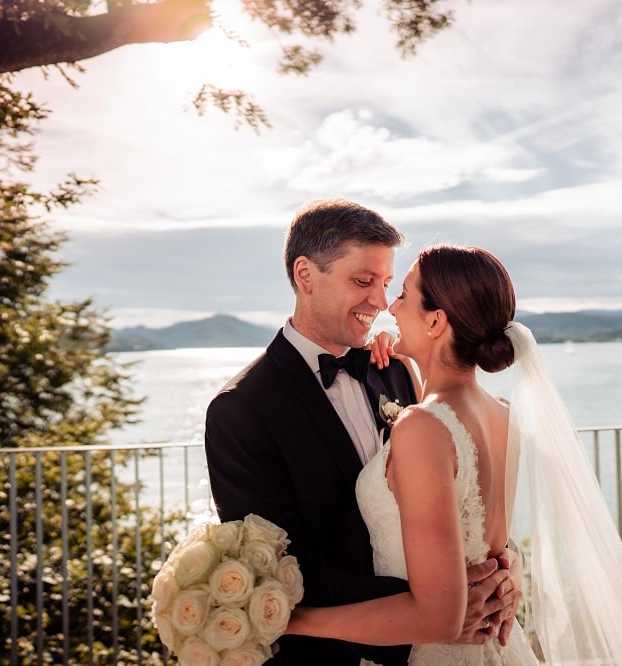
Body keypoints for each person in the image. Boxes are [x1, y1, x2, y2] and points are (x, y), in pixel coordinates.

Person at [285, 245, 622, 665]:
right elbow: (491, 544)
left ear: (436, 321)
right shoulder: (502, 415)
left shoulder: (422, 427)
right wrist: (511, 569)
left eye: (402, 294)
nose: (390, 307)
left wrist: (297, 621)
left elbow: (440, 616)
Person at [205, 200, 520, 665]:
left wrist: (501, 569)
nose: (380, 302)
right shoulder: (241, 410)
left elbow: (456, 493)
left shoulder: (396, 372)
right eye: (363, 281)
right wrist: (444, 605)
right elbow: (277, 569)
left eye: (388, 284)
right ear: (306, 275)